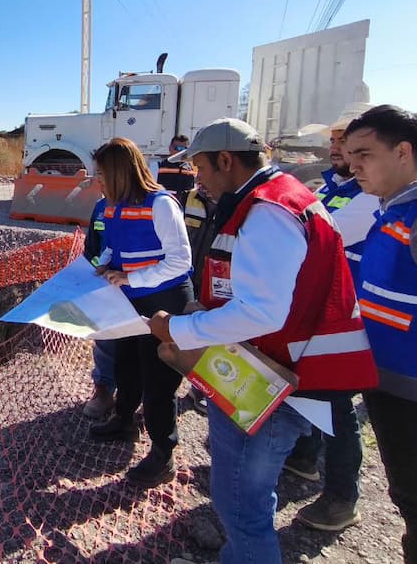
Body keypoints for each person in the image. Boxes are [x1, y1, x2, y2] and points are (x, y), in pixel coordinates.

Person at [148, 118, 377, 564]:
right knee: (246, 496)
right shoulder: (278, 196)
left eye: (200, 167)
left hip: (278, 379)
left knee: (240, 499)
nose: (198, 180)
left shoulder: (268, 210)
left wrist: (177, 328)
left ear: (226, 160)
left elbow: (261, 312)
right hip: (281, 367)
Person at [284, 104, 379, 532]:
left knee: (339, 406)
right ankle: (304, 459)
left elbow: (317, 234)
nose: (336, 146)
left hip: (351, 319)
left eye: (346, 140)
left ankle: (342, 499)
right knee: (313, 387)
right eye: (336, 139)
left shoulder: (369, 195)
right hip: (323, 309)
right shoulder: (333, 187)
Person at [87, 137, 194, 488]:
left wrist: (132, 276)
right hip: (128, 300)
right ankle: (124, 420)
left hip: (163, 301)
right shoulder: (109, 205)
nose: (96, 179)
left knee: (158, 380)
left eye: (101, 173)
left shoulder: (161, 203)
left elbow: (180, 261)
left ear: (120, 171)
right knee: (126, 363)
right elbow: (112, 246)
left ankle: (164, 453)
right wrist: (105, 265)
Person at [344, 105, 417, 564]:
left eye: (364, 155)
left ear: (404, 151)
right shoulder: (391, 209)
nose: (353, 169)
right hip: (388, 382)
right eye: (350, 158)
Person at [181, 178, 218, 414]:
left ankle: (202, 389)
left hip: (216, 285)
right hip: (187, 279)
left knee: (211, 338)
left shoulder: (237, 203)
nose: (201, 179)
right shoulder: (187, 199)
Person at [82, 195, 115, 418]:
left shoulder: (145, 204)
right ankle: (103, 389)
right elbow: (91, 247)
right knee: (105, 340)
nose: (100, 181)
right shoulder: (101, 206)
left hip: (134, 286)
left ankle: (131, 396)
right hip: (104, 287)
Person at [157, 135, 196, 200]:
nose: (181, 151)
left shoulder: (191, 168)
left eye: (185, 149)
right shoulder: (158, 166)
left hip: (184, 205)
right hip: (166, 203)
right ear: (170, 148)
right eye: (178, 148)